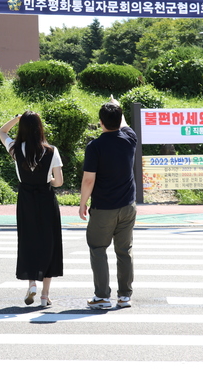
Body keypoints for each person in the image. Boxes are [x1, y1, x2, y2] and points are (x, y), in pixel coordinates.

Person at [0, 111, 64, 307]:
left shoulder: (15, 148)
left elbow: (2, 131)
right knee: (49, 243)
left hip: (25, 199)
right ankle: (45, 295)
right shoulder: (51, 150)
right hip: (46, 199)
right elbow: (59, 182)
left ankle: (32, 284)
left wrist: (17, 118)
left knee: (29, 241)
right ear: (40, 127)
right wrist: (48, 180)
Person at [79, 96, 137, 310]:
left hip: (104, 208)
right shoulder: (130, 138)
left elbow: (88, 179)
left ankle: (102, 297)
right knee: (124, 250)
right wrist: (116, 105)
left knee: (98, 248)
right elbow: (123, 123)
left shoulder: (95, 146)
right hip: (128, 206)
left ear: (100, 122)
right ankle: (124, 296)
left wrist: (82, 202)